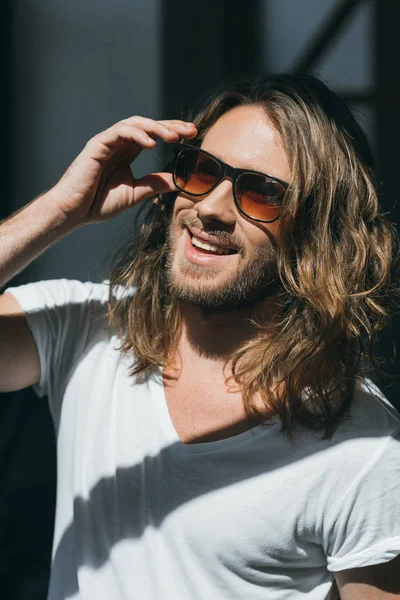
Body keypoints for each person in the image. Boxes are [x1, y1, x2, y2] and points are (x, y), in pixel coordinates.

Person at [1, 73, 400, 600]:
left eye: (261, 193)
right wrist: (58, 211)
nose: (210, 207)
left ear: (316, 234)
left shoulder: (365, 448)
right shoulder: (87, 328)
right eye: (202, 171)